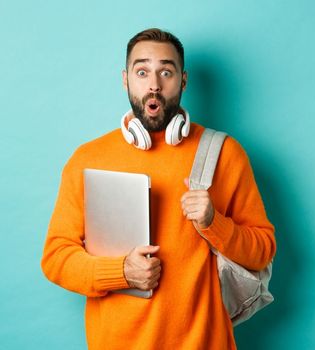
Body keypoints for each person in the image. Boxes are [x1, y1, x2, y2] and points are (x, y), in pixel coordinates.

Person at [40, 28, 276, 350]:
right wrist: (122, 271)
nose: (153, 84)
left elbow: (263, 249)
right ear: (126, 80)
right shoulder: (87, 159)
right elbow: (56, 259)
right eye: (142, 71)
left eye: (166, 71)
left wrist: (214, 223)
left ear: (183, 80)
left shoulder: (224, 153)